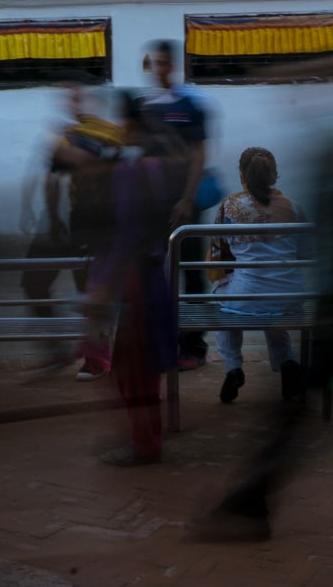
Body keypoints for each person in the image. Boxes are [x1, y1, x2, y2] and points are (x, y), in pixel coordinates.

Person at [86, 95, 189, 467]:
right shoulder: (165, 167)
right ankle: (146, 438)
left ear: (132, 125)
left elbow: (125, 231)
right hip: (151, 272)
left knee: (133, 367)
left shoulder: (131, 172)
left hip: (135, 279)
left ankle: (144, 443)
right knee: (141, 366)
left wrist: (103, 284)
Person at [21, 84, 122, 379]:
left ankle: (96, 355)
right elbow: (52, 178)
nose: (72, 102)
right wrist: (51, 217)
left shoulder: (111, 134)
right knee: (33, 281)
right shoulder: (66, 134)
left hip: (99, 221)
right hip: (71, 219)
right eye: (69, 97)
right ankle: (58, 350)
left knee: (89, 287)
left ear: (95, 102)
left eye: (79, 96)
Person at [210, 147, 304, 405]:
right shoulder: (295, 208)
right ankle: (287, 362)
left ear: (242, 175)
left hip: (250, 296)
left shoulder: (229, 207)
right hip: (289, 296)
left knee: (223, 297)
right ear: (274, 175)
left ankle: (233, 367)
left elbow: (219, 252)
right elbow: (304, 252)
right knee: (270, 303)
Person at [142, 39, 211, 368]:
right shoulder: (146, 107)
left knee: (192, 271)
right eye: (155, 63)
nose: (159, 69)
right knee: (155, 270)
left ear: (173, 65)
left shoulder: (190, 105)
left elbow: (198, 153)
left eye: (164, 63)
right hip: (153, 205)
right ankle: (161, 340)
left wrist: (186, 198)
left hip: (187, 204)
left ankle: (194, 346)